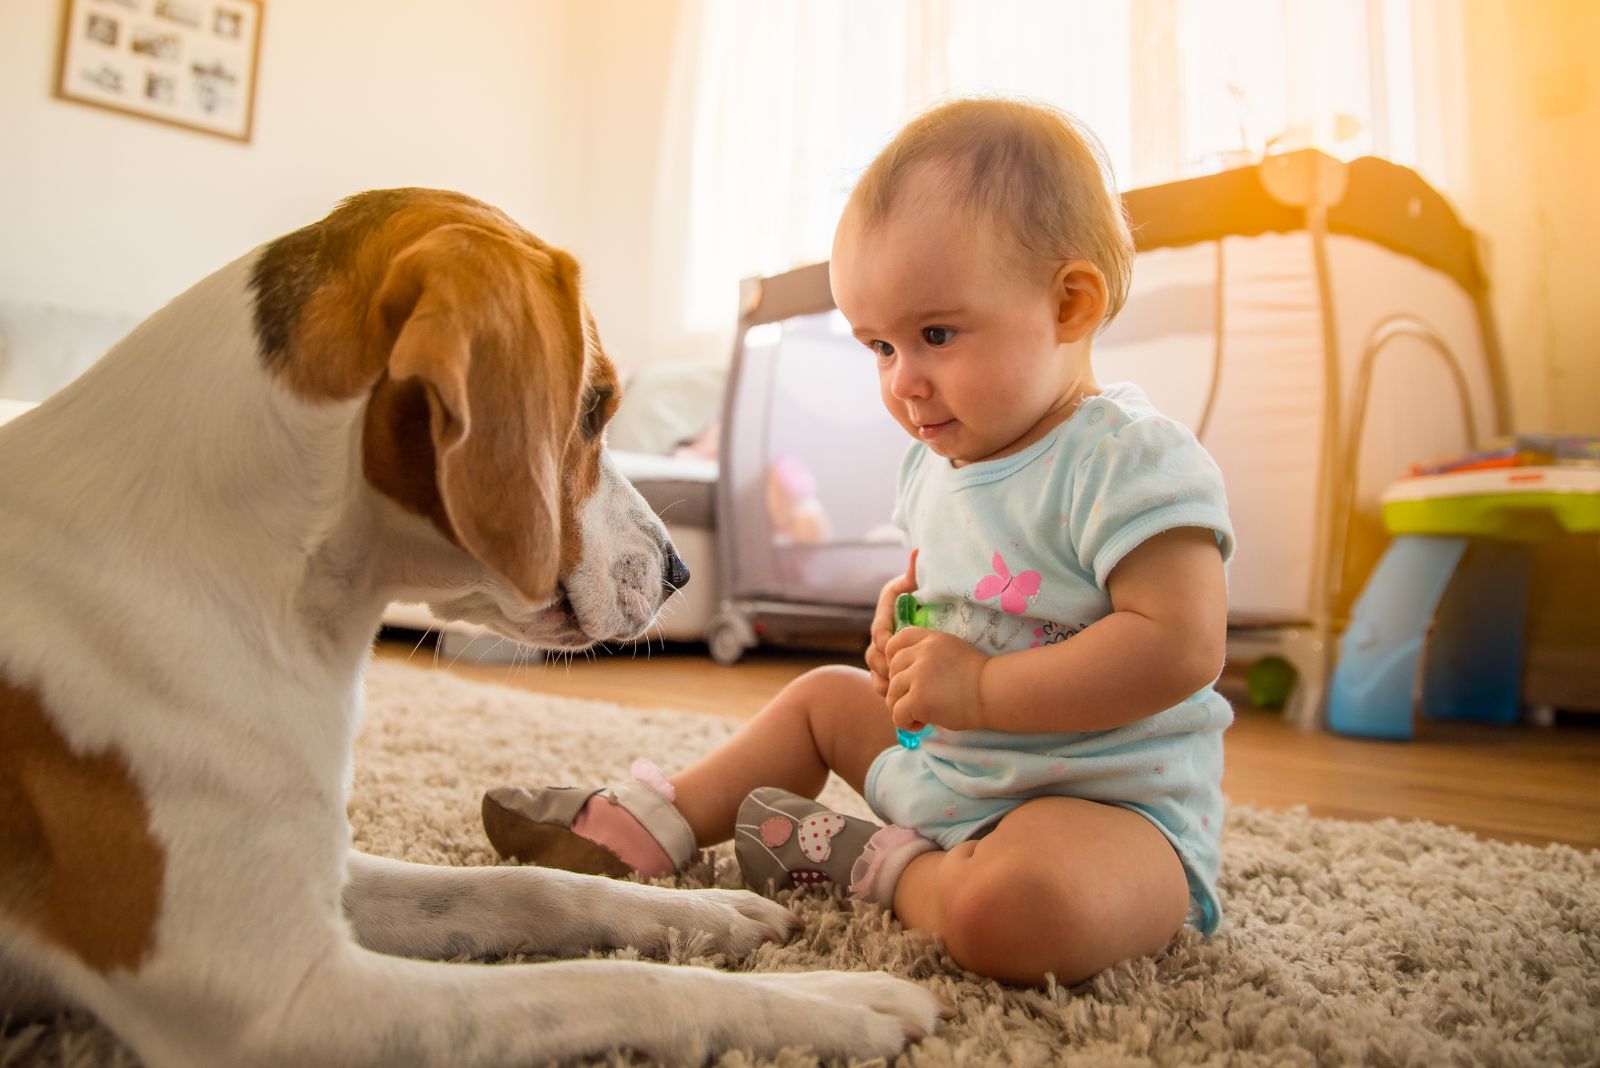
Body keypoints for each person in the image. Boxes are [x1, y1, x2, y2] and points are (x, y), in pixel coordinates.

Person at [481, 97, 1235, 987]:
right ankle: (656, 820)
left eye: (936, 336)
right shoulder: (937, 462)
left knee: (1019, 917)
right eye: (879, 347)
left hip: (1103, 812)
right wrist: (901, 623)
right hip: (952, 767)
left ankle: (884, 866)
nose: (905, 382)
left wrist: (986, 685)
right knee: (821, 701)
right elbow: (950, 589)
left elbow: (1180, 644)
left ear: (1069, 304)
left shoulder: (1127, 459)